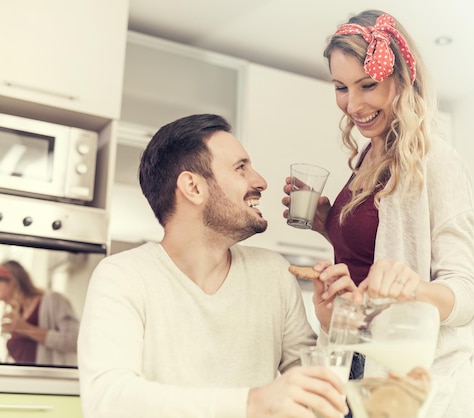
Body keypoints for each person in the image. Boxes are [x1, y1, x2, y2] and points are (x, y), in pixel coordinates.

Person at [77, 114, 355, 418]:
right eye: (240, 168)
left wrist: (332, 327)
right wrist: (252, 403)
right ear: (193, 187)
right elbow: (107, 400)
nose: (260, 181)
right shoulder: (123, 277)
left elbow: (317, 402)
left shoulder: (274, 274)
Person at [282, 10, 474, 418]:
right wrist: (328, 226)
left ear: (401, 79)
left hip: (408, 381)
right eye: (341, 88)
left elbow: (467, 296)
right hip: (354, 361)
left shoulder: (434, 160)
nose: (353, 105)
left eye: (367, 85)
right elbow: (372, 256)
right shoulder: (371, 155)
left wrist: (416, 289)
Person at [0, 259, 79, 366]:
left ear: (13, 280)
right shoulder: (17, 315)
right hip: (26, 381)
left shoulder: (53, 301)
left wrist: (25, 328)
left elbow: (75, 342)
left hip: (51, 380)